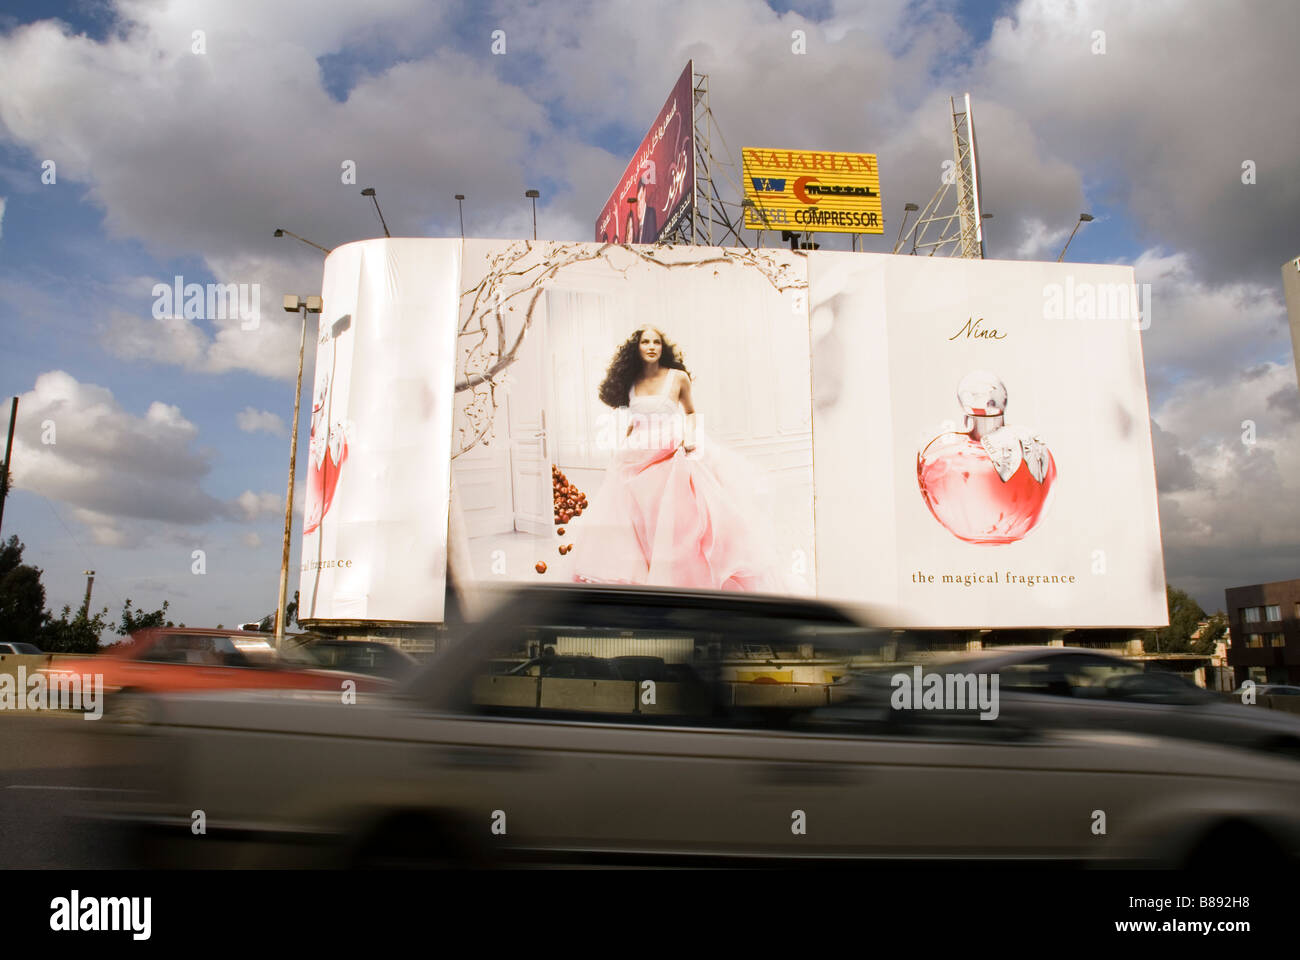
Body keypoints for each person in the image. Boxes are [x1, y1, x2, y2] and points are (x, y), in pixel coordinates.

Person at [570, 327, 800, 592]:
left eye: (656, 341)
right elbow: (635, 420)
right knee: (632, 519)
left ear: (663, 347)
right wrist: (625, 445)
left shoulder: (677, 378)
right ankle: (642, 580)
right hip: (636, 455)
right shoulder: (631, 382)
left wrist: (689, 439)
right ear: (637, 348)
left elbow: (690, 413)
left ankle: (681, 582)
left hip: (671, 452)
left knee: (678, 520)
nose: (651, 346)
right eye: (645, 342)